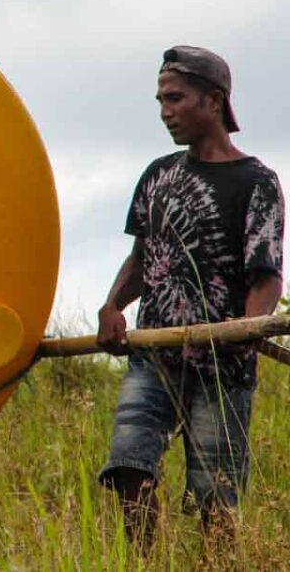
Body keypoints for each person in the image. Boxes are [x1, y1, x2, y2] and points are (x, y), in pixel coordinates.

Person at [96, 46, 284, 547]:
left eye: (175, 98)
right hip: (154, 354)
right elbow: (143, 258)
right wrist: (113, 306)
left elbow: (266, 275)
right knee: (129, 467)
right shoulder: (159, 175)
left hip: (224, 364)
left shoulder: (257, 181)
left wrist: (248, 329)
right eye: (160, 100)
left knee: (215, 499)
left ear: (214, 100)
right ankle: (142, 560)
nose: (165, 111)